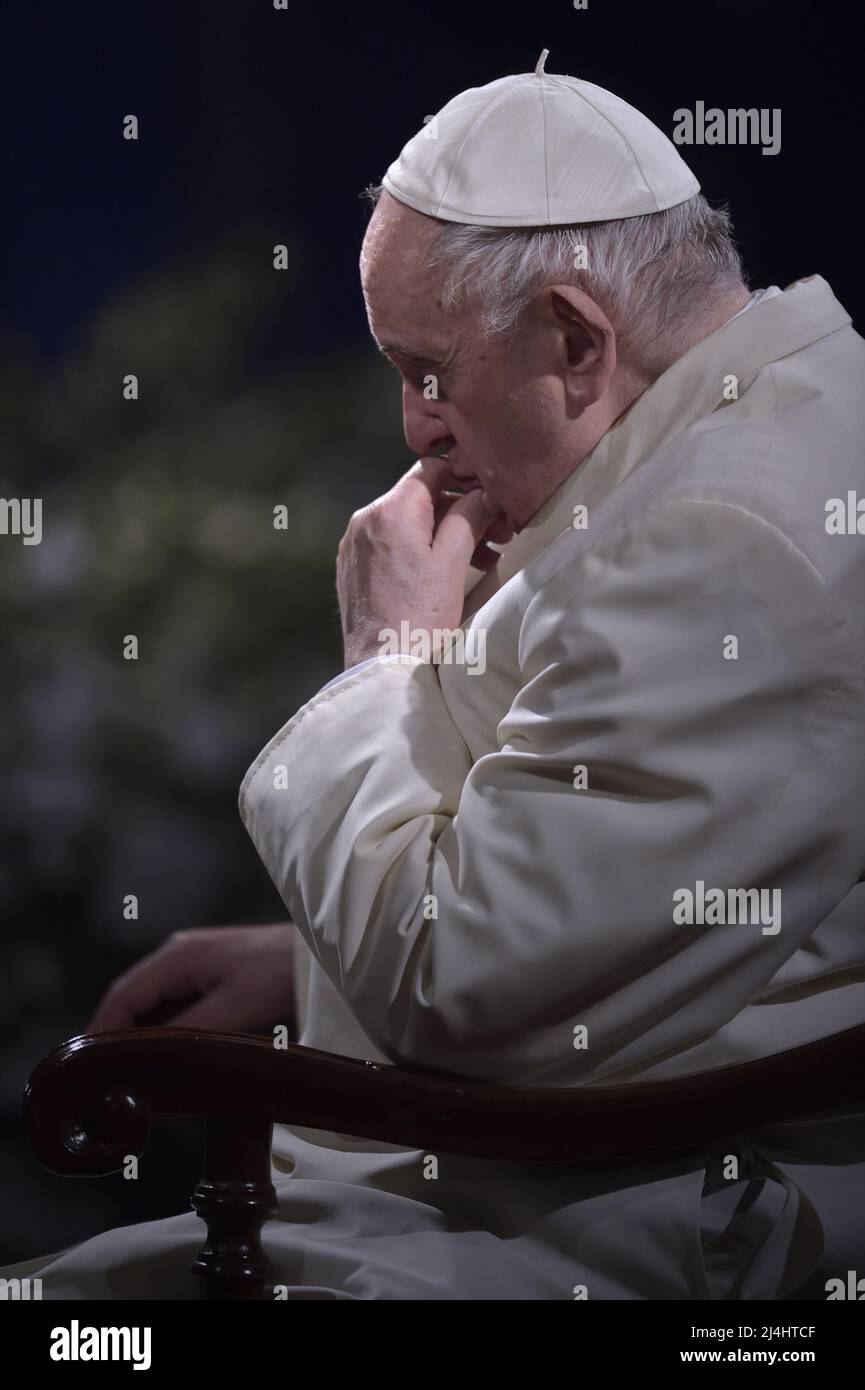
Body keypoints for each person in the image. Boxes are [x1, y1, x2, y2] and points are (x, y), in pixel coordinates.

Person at [5, 56, 865, 1300]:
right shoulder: (761, 416)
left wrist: (387, 661)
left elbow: (458, 987)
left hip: (612, 1206)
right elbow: (605, 915)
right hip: (570, 1150)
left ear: (576, 338)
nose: (415, 426)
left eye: (428, 370)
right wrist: (313, 973)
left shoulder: (738, 531)